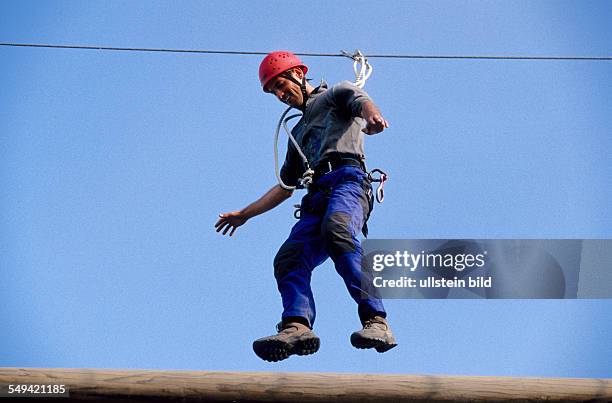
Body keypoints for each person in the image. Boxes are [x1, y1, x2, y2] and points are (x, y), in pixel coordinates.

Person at [215, 51, 397, 362]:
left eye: (282, 85)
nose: (281, 95)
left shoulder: (334, 95)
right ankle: (296, 326)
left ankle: (376, 321)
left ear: (299, 73)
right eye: (274, 92)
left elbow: (361, 99)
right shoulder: (296, 135)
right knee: (289, 258)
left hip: (348, 182)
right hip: (316, 194)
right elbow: (285, 188)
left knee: (338, 232)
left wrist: (371, 117)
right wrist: (245, 214)